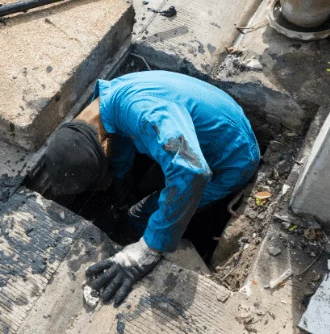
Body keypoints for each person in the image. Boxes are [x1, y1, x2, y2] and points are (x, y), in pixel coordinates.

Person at [45, 70, 260, 307]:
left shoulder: (143, 113)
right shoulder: (104, 108)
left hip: (231, 158)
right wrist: (118, 187)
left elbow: (192, 171)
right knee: (150, 186)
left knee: (141, 214)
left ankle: (142, 238)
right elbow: (122, 143)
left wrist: (147, 250)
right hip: (206, 130)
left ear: (104, 146)